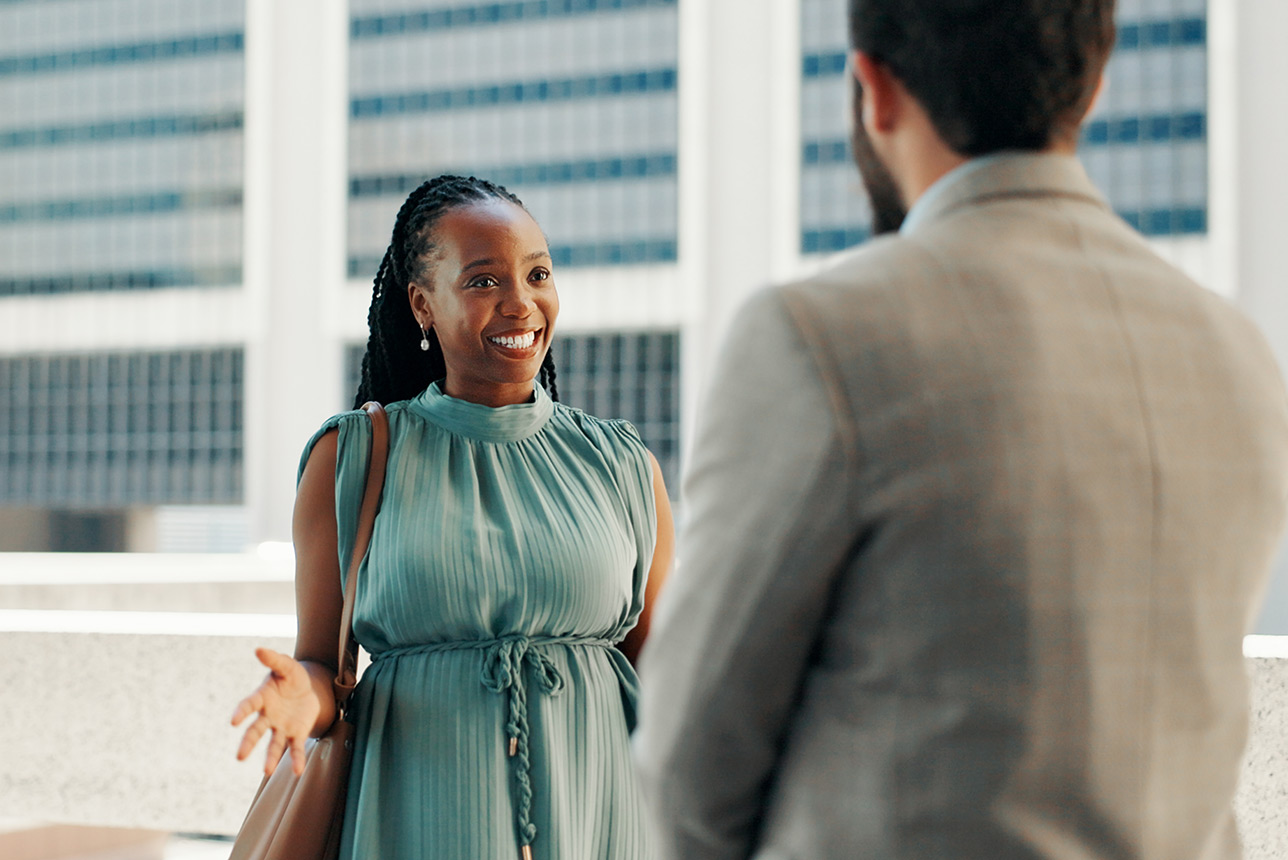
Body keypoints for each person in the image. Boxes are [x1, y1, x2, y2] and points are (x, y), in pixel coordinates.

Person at [634, 1, 1288, 858]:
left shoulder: (818, 337)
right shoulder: (1237, 354)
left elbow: (691, 767)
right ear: (1091, 82)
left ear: (874, 88)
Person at [232, 175, 674, 860]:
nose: (521, 303)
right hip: (416, 823)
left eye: (538, 274)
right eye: (482, 282)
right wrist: (301, 699)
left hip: (605, 826)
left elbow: (665, 680)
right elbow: (324, 666)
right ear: (421, 305)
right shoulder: (350, 456)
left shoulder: (622, 465)